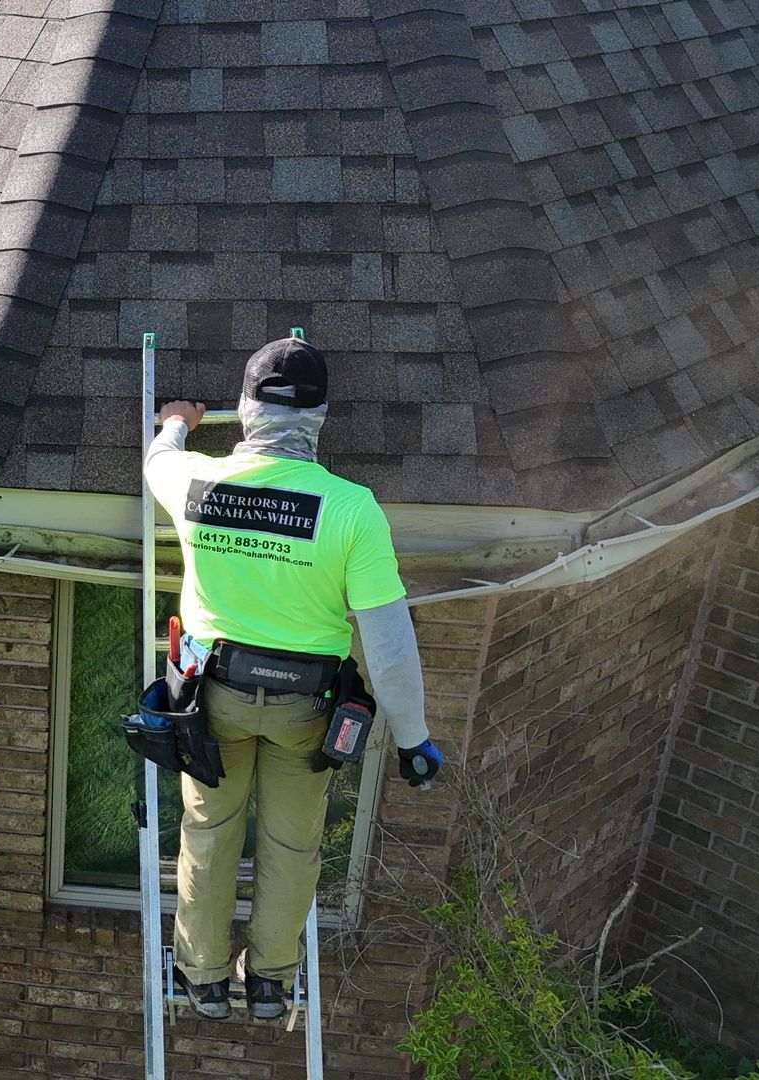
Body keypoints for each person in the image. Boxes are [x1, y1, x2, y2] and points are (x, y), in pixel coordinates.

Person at [144, 334, 444, 1021]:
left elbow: (158, 456)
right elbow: (390, 645)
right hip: (305, 710)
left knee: (210, 833)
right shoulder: (351, 510)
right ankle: (271, 982)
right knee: (289, 844)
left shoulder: (195, 479)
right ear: (320, 417)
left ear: (246, 409)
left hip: (210, 701)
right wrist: (414, 740)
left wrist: (178, 420)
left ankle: (204, 978)